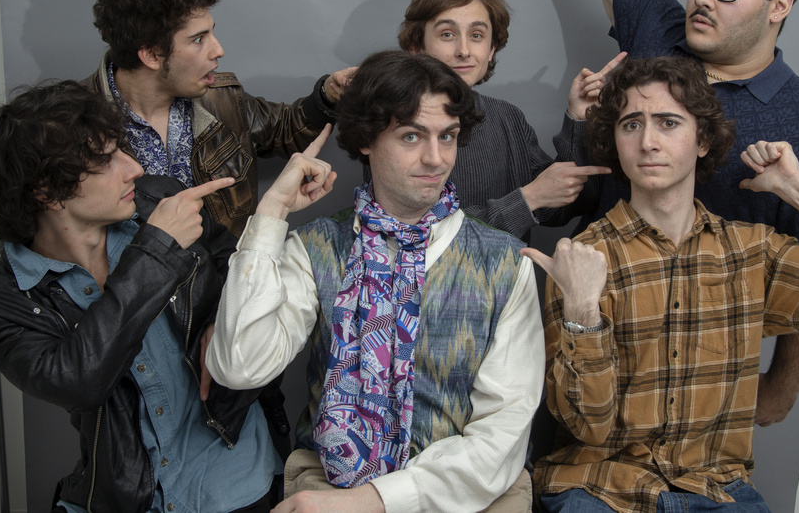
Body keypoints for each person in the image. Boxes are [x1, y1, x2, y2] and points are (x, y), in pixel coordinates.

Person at [477, 0, 799, 426]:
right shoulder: (659, 30)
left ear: (780, 4)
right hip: (580, 338)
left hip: (696, 375)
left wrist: (781, 390)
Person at [519, 57, 799, 512]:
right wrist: (583, 310)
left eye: (668, 123)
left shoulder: (752, 253)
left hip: (716, 489)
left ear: (702, 140)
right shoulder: (582, 258)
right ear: (615, 141)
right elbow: (589, 427)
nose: (648, 142)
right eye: (631, 125)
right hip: (601, 488)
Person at [206, 51, 545, 513]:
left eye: (448, 136)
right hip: (330, 485)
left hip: (472, 493)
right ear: (366, 140)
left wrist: (377, 501)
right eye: (411, 136)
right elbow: (238, 367)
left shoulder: (505, 263)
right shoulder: (315, 248)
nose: (436, 158)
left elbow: (501, 435)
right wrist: (269, 216)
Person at [0, 81, 279, 513]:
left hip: (237, 475)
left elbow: (236, 266)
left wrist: (223, 317)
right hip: (131, 495)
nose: (134, 169)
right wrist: (157, 249)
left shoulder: (158, 199)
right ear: (45, 192)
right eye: (106, 161)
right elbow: (80, 381)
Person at [86, 0, 356, 239]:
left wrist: (328, 93)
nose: (218, 50)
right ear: (152, 55)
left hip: (230, 279)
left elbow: (285, 128)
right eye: (199, 39)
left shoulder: (222, 99)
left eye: (211, 32)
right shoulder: (70, 123)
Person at [398, 0, 612, 242]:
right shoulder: (396, 120)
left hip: (513, 281)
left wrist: (578, 120)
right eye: (447, 34)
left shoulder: (507, 117)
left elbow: (567, 207)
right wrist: (528, 199)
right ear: (416, 47)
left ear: (491, 50)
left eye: (477, 36)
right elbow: (414, 235)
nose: (464, 51)